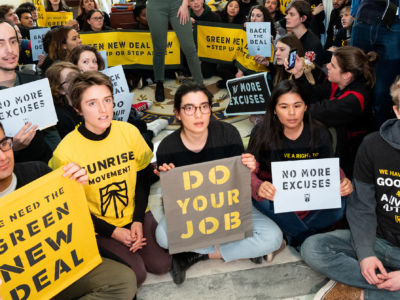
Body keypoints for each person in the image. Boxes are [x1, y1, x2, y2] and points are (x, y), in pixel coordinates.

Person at [49, 71, 172, 286]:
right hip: (98, 224)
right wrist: (113, 232)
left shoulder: (128, 132)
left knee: (162, 265)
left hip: (135, 211)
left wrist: (137, 221)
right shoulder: (65, 152)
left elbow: (142, 178)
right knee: (137, 275)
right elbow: (70, 208)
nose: (104, 109)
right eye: (92, 103)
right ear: (78, 109)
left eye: (107, 100)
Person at [155, 81, 283, 284]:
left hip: (228, 208)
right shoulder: (167, 147)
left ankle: (199, 254)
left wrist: (249, 168)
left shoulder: (228, 134)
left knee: (274, 237)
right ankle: (241, 249)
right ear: (177, 113)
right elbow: (170, 206)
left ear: (210, 109)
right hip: (192, 212)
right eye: (189, 108)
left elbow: (240, 189)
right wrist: (170, 180)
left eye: (204, 106)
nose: (198, 114)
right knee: (162, 236)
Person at [0, 121, 138, 299]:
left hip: (62, 267)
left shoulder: (37, 172)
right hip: (18, 287)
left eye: (4, 144)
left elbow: (75, 224)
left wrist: (74, 192)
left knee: (122, 280)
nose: (3, 157)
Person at [301, 76, 400, 300]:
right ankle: (384, 285)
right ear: (397, 111)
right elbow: (362, 206)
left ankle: (363, 292)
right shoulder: (373, 145)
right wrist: (365, 254)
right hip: (379, 241)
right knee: (313, 248)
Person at [247, 80, 353, 247]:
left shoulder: (320, 132)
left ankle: (291, 235)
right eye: (284, 107)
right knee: (258, 199)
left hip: (311, 200)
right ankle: (305, 237)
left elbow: (330, 167)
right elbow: (249, 170)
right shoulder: (261, 133)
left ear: (305, 107)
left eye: (297, 106)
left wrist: (342, 181)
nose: (291, 113)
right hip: (276, 199)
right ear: (274, 109)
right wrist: (258, 185)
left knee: (341, 205)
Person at [289, 46, 376, 176]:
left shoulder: (355, 99)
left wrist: (286, 110)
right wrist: (299, 74)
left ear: (347, 75)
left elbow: (318, 110)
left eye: (333, 66)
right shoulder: (340, 82)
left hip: (350, 165)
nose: (327, 66)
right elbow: (313, 95)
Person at [0, 20, 52, 162]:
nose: (10, 50)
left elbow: (51, 133)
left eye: (13, 41)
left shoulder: (35, 81)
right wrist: (11, 148)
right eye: (0, 43)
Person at [350, 0, 400, 127]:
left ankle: (379, 139)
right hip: (363, 19)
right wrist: (355, 10)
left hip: (394, 24)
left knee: (383, 93)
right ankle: (352, 137)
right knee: (353, 80)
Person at [147, 0, 203, 102]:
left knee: (189, 48)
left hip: (178, 4)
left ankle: (200, 85)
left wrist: (185, 4)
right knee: (159, 48)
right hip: (155, 5)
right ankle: (159, 82)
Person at [46, 62, 82, 139]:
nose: (79, 82)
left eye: (79, 76)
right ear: (60, 89)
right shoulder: (61, 117)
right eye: (71, 79)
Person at [284, 0, 324, 66]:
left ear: (303, 18)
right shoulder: (291, 38)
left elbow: (310, 72)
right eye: (287, 14)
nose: (286, 17)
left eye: (292, 14)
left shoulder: (312, 44)